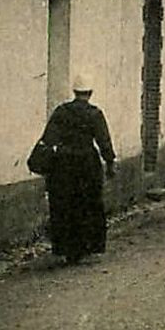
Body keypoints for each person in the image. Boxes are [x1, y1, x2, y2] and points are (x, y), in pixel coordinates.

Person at [39, 72, 115, 264]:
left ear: (74, 91)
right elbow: (104, 141)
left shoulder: (61, 112)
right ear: (90, 93)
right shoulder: (95, 114)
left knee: (65, 206)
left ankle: (67, 249)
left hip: (63, 164)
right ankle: (86, 246)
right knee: (87, 204)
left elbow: (48, 138)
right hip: (87, 164)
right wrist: (110, 163)